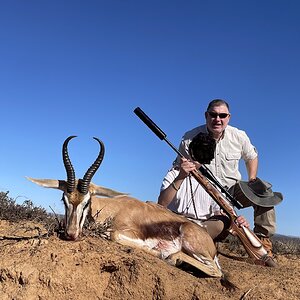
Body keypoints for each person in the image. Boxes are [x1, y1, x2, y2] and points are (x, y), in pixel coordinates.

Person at [167, 98, 282, 264]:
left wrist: (252, 179)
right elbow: (179, 168)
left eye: (222, 115)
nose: (217, 119)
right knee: (217, 223)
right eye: (213, 115)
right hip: (204, 191)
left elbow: (252, 156)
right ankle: (206, 237)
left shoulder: (239, 136)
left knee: (265, 192)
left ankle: (262, 242)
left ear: (229, 117)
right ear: (206, 116)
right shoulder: (189, 138)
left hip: (233, 189)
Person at [158, 156, 249, 242]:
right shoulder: (173, 173)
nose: (195, 158)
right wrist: (180, 177)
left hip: (202, 227)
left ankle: (189, 242)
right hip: (174, 222)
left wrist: (236, 220)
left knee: (222, 222)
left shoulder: (215, 182)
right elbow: (161, 204)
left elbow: (218, 212)